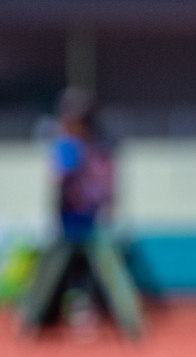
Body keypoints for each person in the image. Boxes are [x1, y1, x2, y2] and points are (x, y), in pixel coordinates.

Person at [18, 89, 143, 339]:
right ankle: (29, 322)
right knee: (48, 273)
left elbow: (99, 187)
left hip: (90, 224)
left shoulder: (92, 148)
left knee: (112, 273)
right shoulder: (72, 146)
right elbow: (60, 176)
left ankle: (133, 325)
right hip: (67, 224)